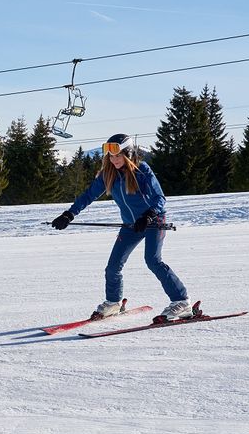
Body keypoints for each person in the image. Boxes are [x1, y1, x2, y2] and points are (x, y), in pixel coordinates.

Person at [50, 134, 193, 322]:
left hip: (153, 221)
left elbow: (160, 198)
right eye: (111, 156)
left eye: (118, 156)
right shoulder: (108, 174)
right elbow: (88, 196)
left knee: (153, 261)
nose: (114, 160)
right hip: (130, 226)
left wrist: (149, 215)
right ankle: (113, 302)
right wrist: (69, 214)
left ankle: (181, 302)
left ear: (129, 154)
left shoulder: (142, 170)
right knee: (113, 267)